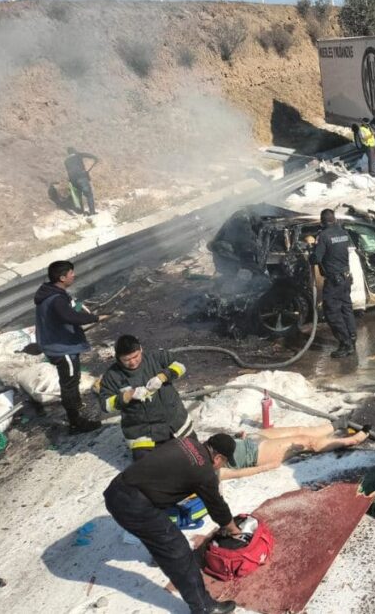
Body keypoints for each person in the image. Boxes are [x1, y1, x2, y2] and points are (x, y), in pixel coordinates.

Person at [103, 435, 239, 614]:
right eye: (225, 463)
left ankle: (160, 555)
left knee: (161, 536)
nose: (221, 467)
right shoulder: (204, 472)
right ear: (218, 458)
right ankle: (204, 607)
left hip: (117, 488)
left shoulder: (186, 442)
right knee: (178, 551)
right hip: (133, 505)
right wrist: (232, 528)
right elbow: (217, 506)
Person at [34, 260, 109, 433]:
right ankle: (76, 423)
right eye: (71, 273)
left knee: (72, 379)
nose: (74, 275)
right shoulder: (56, 299)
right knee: (69, 384)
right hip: (62, 347)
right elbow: (70, 317)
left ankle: (76, 406)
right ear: (62, 278)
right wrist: (96, 318)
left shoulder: (50, 294)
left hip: (59, 345)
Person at [96, 335, 195, 461]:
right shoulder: (112, 376)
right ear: (118, 358)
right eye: (126, 359)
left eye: (135, 356)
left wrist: (163, 376)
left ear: (141, 349)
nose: (132, 362)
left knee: (195, 457)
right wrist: (128, 395)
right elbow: (105, 405)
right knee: (150, 467)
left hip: (176, 424)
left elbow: (180, 365)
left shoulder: (156, 357)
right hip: (143, 434)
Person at [216, 422, 369, 480]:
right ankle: (351, 440)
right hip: (258, 453)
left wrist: (235, 438)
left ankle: (337, 424)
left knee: (299, 429)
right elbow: (237, 473)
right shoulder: (208, 472)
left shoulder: (203, 449)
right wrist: (266, 467)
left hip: (250, 439)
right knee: (306, 442)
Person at [312, 208, 357, 358]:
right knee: (346, 309)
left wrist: (312, 252)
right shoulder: (343, 233)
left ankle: (345, 344)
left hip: (334, 281)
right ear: (334, 219)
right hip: (346, 278)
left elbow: (316, 258)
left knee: (332, 312)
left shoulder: (324, 236)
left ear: (322, 221)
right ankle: (352, 338)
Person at [64, 147, 100, 216]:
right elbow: (87, 155)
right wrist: (95, 158)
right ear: (74, 151)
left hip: (73, 180)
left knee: (79, 195)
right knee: (89, 194)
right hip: (82, 178)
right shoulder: (77, 155)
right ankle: (92, 212)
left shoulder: (66, 161)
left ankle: (81, 211)